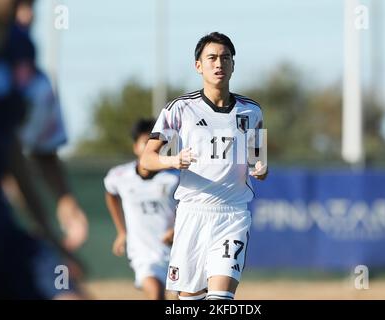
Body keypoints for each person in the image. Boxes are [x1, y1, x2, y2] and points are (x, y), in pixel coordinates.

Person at [141, 32, 268, 300]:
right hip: (192, 214)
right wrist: (173, 160)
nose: (219, 63)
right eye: (211, 58)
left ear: (233, 64)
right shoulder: (179, 108)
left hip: (232, 214)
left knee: (221, 299)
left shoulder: (252, 110)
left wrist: (261, 167)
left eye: (225, 58)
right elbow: (147, 158)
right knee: (188, 300)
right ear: (198, 65)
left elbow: (258, 157)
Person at [0, 0, 85, 299]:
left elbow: (21, 149)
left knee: (66, 292)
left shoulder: (20, 55)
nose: (25, 11)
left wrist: (53, 222)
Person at [104, 119, 179, 300]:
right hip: (143, 253)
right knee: (155, 293)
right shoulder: (119, 176)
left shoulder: (174, 178)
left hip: (176, 251)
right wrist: (122, 232)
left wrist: (177, 229)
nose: (151, 148)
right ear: (135, 147)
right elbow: (111, 193)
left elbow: (190, 206)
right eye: (146, 143)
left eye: (156, 144)